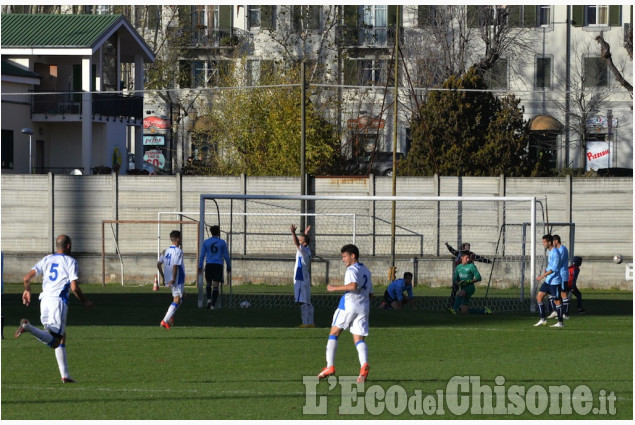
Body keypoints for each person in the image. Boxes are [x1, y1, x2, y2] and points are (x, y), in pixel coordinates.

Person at [15, 234, 95, 383]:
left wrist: (27, 290)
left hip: (44, 300)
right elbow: (74, 287)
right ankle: (28, 327)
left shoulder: (47, 259)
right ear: (69, 246)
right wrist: (84, 301)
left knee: (61, 336)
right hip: (58, 301)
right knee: (55, 341)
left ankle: (65, 376)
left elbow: (26, 278)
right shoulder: (71, 261)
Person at [317, 244, 373, 384]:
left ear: (352, 255)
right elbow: (371, 293)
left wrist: (333, 288)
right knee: (358, 339)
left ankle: (329, 366)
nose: (343, 259)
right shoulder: (366, 270)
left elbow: (353, 286)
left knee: (334, 333)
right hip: (364, 306)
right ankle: (363, 366)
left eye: (344, 256)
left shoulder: (351, 269)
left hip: (348, 306)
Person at [445, 242, 492, 312]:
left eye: (469, 246)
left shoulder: (471, 255)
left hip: (467, 278)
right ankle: (451, 306)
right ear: (463, 247)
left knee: (460, 293)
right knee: (454, 291)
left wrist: (488, 261)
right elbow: (452, 251)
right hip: (459, 276)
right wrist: (448, 246)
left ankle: (454, 308)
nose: (468, 248)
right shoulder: (459, 253)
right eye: (467, 246)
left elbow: (479, 258)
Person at [534, 234, 564, 328]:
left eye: (544, 242)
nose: (543, 244)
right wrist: (546, 269)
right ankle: (543, 319)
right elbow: (551, 266)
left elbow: (554, 268)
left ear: (549, 242)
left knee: (557, 302)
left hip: (555, 281)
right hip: (548, 281)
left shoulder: (555, 252)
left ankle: (560, 322)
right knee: (539, 297)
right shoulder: (551, 252)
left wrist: (542, 276)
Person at [198, 225, 231, 309]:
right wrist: (228, 265)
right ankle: (213, 305)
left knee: (208, 283)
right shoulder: (222, 242)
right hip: (218, 265)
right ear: (219, 232)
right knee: (215, 285)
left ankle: (209, 299)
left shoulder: (206, 242)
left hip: (209, 264)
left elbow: (202, 255)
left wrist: (200, 266)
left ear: (211, 232)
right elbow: (226, 255)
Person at [158, 230, 185, 329]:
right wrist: (173, 278)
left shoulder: (166, 251)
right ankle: (165, 320)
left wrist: (163, 276)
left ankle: (170, 315)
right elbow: (175, 266)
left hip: (169, 278)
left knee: (183, 296)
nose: (181, 239)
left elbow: (158, 264)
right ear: (177, 239)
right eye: (181, 237)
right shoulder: (178, 251)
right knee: (177, 300)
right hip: (176, 278)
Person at [291, 224, 314, 327]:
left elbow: (297, 243)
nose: (299, 241)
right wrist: (305, 233)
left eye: (301, 240)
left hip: (300, 278)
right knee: (308, 301)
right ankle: (311, 323)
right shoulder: (307, 249)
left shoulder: (303, 250)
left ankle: (305, 323)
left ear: (303, 243)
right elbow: (303, 241)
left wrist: (293, 232)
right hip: (306, 277)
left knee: (302, 301)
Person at [549, 234, 570, 319]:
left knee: (563, 294)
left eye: (552, 241)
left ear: (556, 241)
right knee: (553, 294)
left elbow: (558, 262)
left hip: (562, 275)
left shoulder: (562, 249)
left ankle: (565, 314)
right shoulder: (558, 250)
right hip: (558, 275)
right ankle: (556, 312)